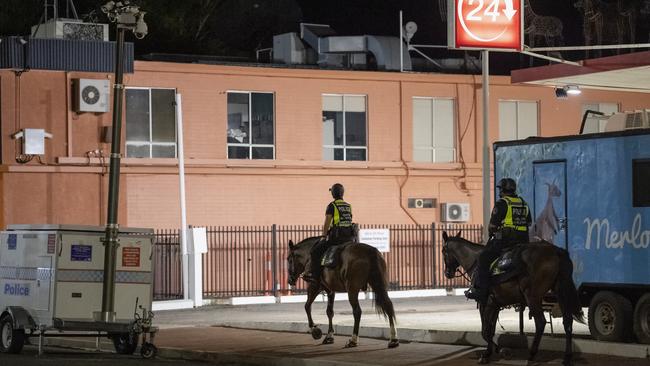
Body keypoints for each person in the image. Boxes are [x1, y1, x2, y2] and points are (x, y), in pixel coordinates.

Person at [465, 178, 532, 303]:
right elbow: (529, 222)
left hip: (507, 241)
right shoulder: (523, 203)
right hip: (524, 241)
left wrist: (492, 232)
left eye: (500, 189)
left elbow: (492, 226)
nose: (499, 192)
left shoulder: (502, 203)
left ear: (502, 190)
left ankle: (481, 291)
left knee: (483, 258)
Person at [307, 183, 354, 282]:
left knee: (315, 251)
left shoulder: (332, 206)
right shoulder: (348, 206)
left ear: (333, 194)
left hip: (337, 238)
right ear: (342, 193)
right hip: (350, 238)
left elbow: (327, 222)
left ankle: (314, 276)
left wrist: (324, 236)